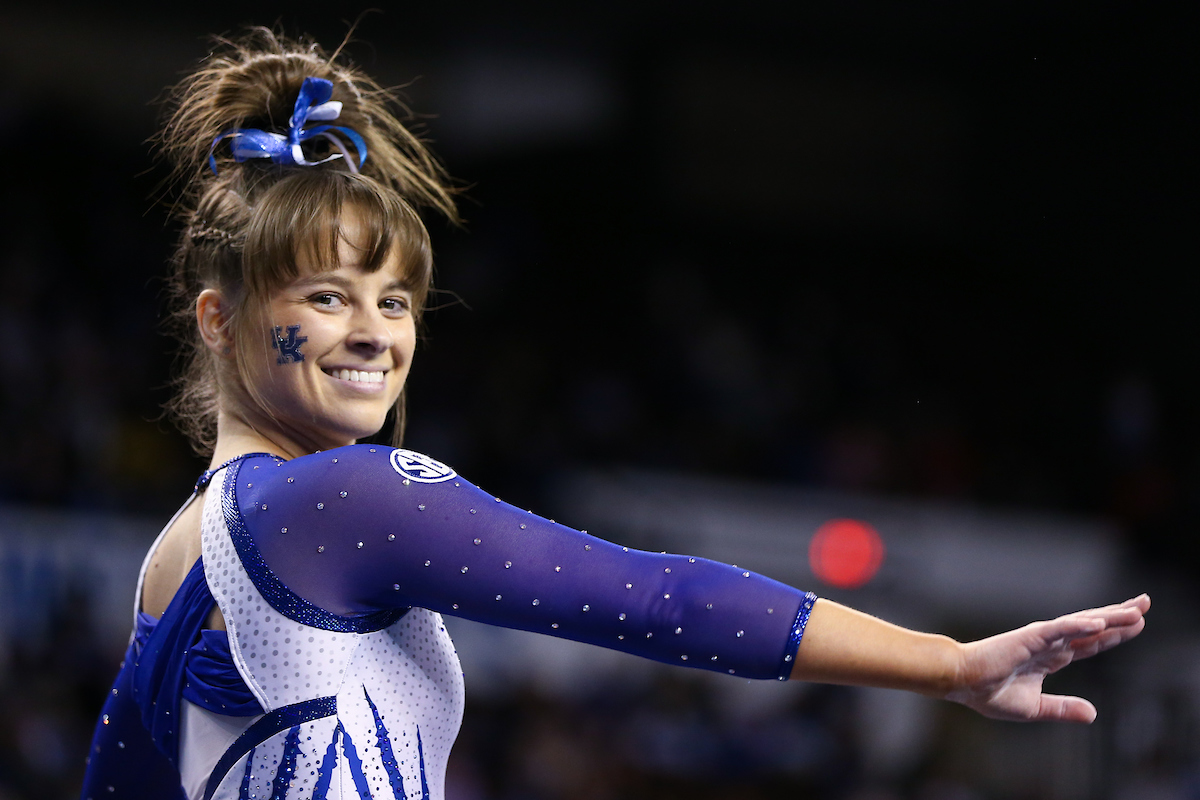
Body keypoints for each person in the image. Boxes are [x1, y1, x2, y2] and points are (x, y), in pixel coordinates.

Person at [80, 30, 1150, 800]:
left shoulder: (176, 558)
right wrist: (949, 663)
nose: (374, 333)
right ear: (218, 319)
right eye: (325, 297)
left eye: (394, 299)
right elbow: (654, 595)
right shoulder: (340, 497)